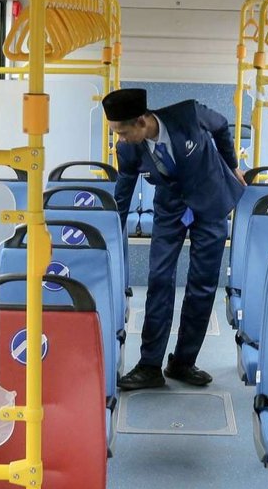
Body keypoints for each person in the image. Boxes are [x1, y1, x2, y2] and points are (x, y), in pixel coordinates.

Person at [105, 89, 246, 390]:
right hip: (170, 207)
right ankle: (149, 366)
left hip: (210, 199)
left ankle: (183, 362)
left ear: (142, 121)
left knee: (203, 283)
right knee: (159, 279)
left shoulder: (189, 115)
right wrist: (113, 227)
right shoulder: (128, 149)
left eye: (123, 131)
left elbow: (221, 125)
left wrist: (231, 165)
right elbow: (124, 188)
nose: (120, 138)